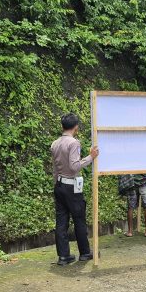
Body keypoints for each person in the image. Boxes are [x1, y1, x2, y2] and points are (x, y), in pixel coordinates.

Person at [51, 113, 99, 265]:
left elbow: (54, 168)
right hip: (71, 186)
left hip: (59, 185)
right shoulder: (74, 143)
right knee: (79, 219)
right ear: (76, 127)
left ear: (62, 126)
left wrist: (57, 184)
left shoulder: (55, 143)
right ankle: (85, 252)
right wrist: (90, 157)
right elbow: (74, 166)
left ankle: (63, 256)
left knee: (61, 221)